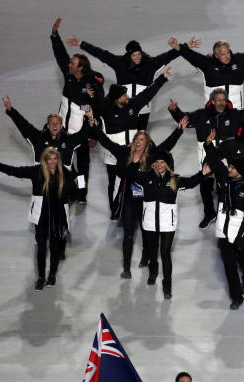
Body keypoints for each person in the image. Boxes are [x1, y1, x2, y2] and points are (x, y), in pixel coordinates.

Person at [92, 118, 187, 277]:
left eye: (142, 139)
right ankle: (126, 268)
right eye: (136, 139)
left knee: (146, 231)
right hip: (129, 199)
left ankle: (146, 256)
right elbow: (106, 142)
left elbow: (167, 145)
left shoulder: (152, 155)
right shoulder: (123, 153)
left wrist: (179, 130)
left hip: (147, 200)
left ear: (147, 143)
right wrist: (94, 127)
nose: (138, 141)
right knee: (128, 234)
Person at [169, 88, 244, 228]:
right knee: (205, 185)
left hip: (227, 158)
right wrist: (175, 110)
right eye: (218, 100)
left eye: (224, 100)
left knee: (225, 185)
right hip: (207, 157)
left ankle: (226, 213)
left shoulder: (234, 114)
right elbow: (184, 119)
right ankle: (209, 213)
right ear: (213, 101)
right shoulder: (201, 114)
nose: (221, 102)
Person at [0, 147, 77, 290]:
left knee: (55, 247)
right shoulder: (37, 171)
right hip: (41, 216)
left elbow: (76, 188)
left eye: (55, 159)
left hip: (58, 216)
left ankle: (52, 275)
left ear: (58, 160)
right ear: (45, 161)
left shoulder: (64, 173)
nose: (52, 162)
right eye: (49, 159)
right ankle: (41, 277)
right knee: (41, 248)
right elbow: (17, 171)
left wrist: (80, 188)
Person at [67, 36, 182, 130]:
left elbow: (167, 57)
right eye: (134, 55)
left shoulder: (149, 64)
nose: (137, 57)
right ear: (128, 55)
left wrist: (182, 48)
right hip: (123, 107)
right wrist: (82, 43)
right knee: (123, 132)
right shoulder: (119, 63)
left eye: (139, 54)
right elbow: (101, 54)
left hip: (142, 108)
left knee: (141, 136)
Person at [98, 67, 172, 209]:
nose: (128, 97)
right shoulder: (105, 109)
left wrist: (162, 78)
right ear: (117, 98)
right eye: (124, 95)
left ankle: (137, 206)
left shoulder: (133, 105)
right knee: (113, 181)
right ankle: (115, 208)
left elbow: (147, 94)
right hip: (113, 153)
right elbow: (89, 110)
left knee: (137, 178)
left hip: (133, 152)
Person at [137, 148, 206, 299]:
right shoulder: (146, 177)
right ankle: (153, 273)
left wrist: (203, 173)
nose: (160, 165)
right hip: (150, 222)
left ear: (167, 165)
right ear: (153, 164)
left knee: (165, 253)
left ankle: (167, 284)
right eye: (157, 162)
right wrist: (134, 160)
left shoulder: (175, 179)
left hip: (168, 223)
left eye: (163, 162)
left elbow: (191, 182)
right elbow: (129, 174)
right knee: (152, 252)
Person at [204, 133, 244, 310]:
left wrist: (240, 239)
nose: (229, 170)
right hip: (224, 231)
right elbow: (215, 161)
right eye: (229, 167)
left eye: (232, 168)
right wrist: (209, 144)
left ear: (240, 171)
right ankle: (236, 297)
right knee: (229, 264)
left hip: (243, 234)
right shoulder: (225, 181)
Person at [51, 18, 105, 204]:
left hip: (81, 133)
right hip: (63, 129)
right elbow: (61, 56)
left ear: (80, 67)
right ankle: (64, 187)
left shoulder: (91, 84)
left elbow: (96, 108)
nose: (69, 65)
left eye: (73, 64)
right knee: (61, 160)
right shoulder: (69, 75)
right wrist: (55, 36)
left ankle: (81, 192)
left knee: (82, 166)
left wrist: (94, 135)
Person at [2, 96, 93, 192]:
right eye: (52, 123)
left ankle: (81, 198)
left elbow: (84, 134)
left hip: (62, 194)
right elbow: (24, 126)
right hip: (42, 193)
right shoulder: (38, 139)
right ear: (48, 126)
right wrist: (11, 111)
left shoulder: (69, 141)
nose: (54, 125)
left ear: (61, 126)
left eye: (57, 123)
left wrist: (89, 117)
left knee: (80, 184)